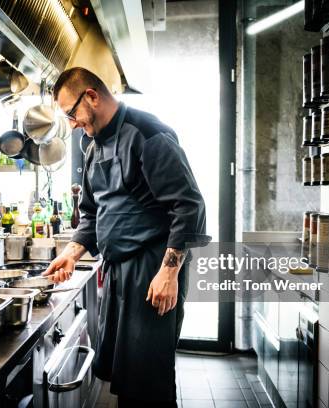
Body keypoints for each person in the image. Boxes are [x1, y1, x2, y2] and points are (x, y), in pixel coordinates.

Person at [43, 67, 209, 407]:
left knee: (148, 382)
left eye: (71, 113)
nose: (72, 123)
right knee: (127, 380)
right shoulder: (93, 147)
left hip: (152, 272)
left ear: (91, 96)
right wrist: (72, 253)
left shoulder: (149, 135)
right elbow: (92, 211)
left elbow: (188, 205)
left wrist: (169, 272)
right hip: (119, 273)